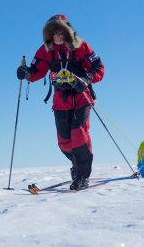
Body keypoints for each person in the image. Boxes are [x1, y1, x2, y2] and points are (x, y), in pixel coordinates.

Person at [16, 14, 104, 190]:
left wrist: (86, 79)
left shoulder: (81, 46)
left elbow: (98, 68)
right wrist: (25, 73)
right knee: (64, 141)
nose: (57, 36)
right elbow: (36, 70)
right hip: (60, 100)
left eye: (60, 32)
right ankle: (77, 165)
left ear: (67, 32)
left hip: (81, 97)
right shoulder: (46, 50)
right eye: (53, 32)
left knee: (79, 135)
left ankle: (82, 176)